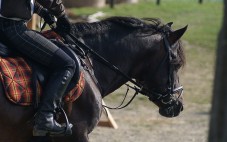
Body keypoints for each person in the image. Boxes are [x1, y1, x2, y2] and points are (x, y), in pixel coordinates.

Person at [0, 0, 76, 136]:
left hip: (4, 28)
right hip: (13, 28)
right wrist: (62, 14)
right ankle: (45, 118)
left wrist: (42, 12)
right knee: (67, 64)